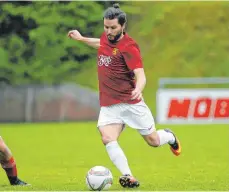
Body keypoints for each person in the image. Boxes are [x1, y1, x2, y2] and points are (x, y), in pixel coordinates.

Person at [68, 3, 181, 188]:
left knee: (153, 141)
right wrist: (81, 39)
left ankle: (169, 136)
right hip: (109, 105)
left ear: (123, 26)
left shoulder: (129, 47)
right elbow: (100, 42)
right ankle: (128, 176)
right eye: (106, 27)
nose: (109, 31)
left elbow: (140, 74)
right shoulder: (106, 38)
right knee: (107, 138)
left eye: (113, 28)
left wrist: (139, 88)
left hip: (131, 103)